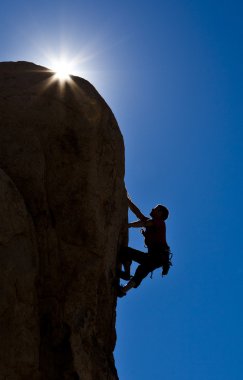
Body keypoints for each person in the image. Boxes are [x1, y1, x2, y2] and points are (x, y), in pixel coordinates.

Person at [118, 195, 172, 297]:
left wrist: (128, 226)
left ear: (160, 213)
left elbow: (144, 223)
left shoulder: (160, 223)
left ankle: (124, 284)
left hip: (158, 257)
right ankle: (124, 286)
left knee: (139, 267)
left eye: (155, 209)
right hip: (154, 258)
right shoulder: (153, 222)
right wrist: (128, 201)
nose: (152, 209)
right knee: (139, 268)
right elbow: (138, 214)